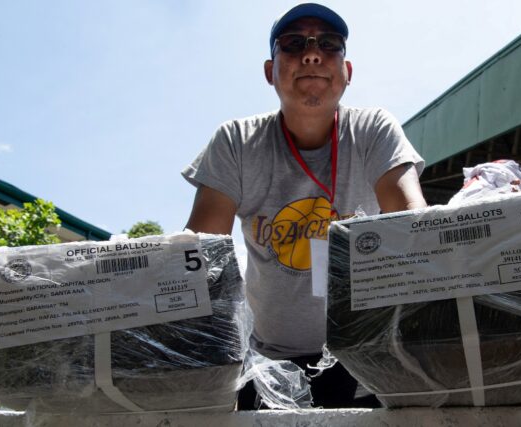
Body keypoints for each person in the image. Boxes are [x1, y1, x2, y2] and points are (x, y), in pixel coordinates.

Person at [182, 3, 427, 409]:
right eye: (294, 44)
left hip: (364, 354)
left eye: (328, 44)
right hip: (268, 360)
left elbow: (413, 221)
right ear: (269, 71)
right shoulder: (236, 142)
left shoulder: (372, 130)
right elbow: (201, 256)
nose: (312, 54)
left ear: (347, 72)